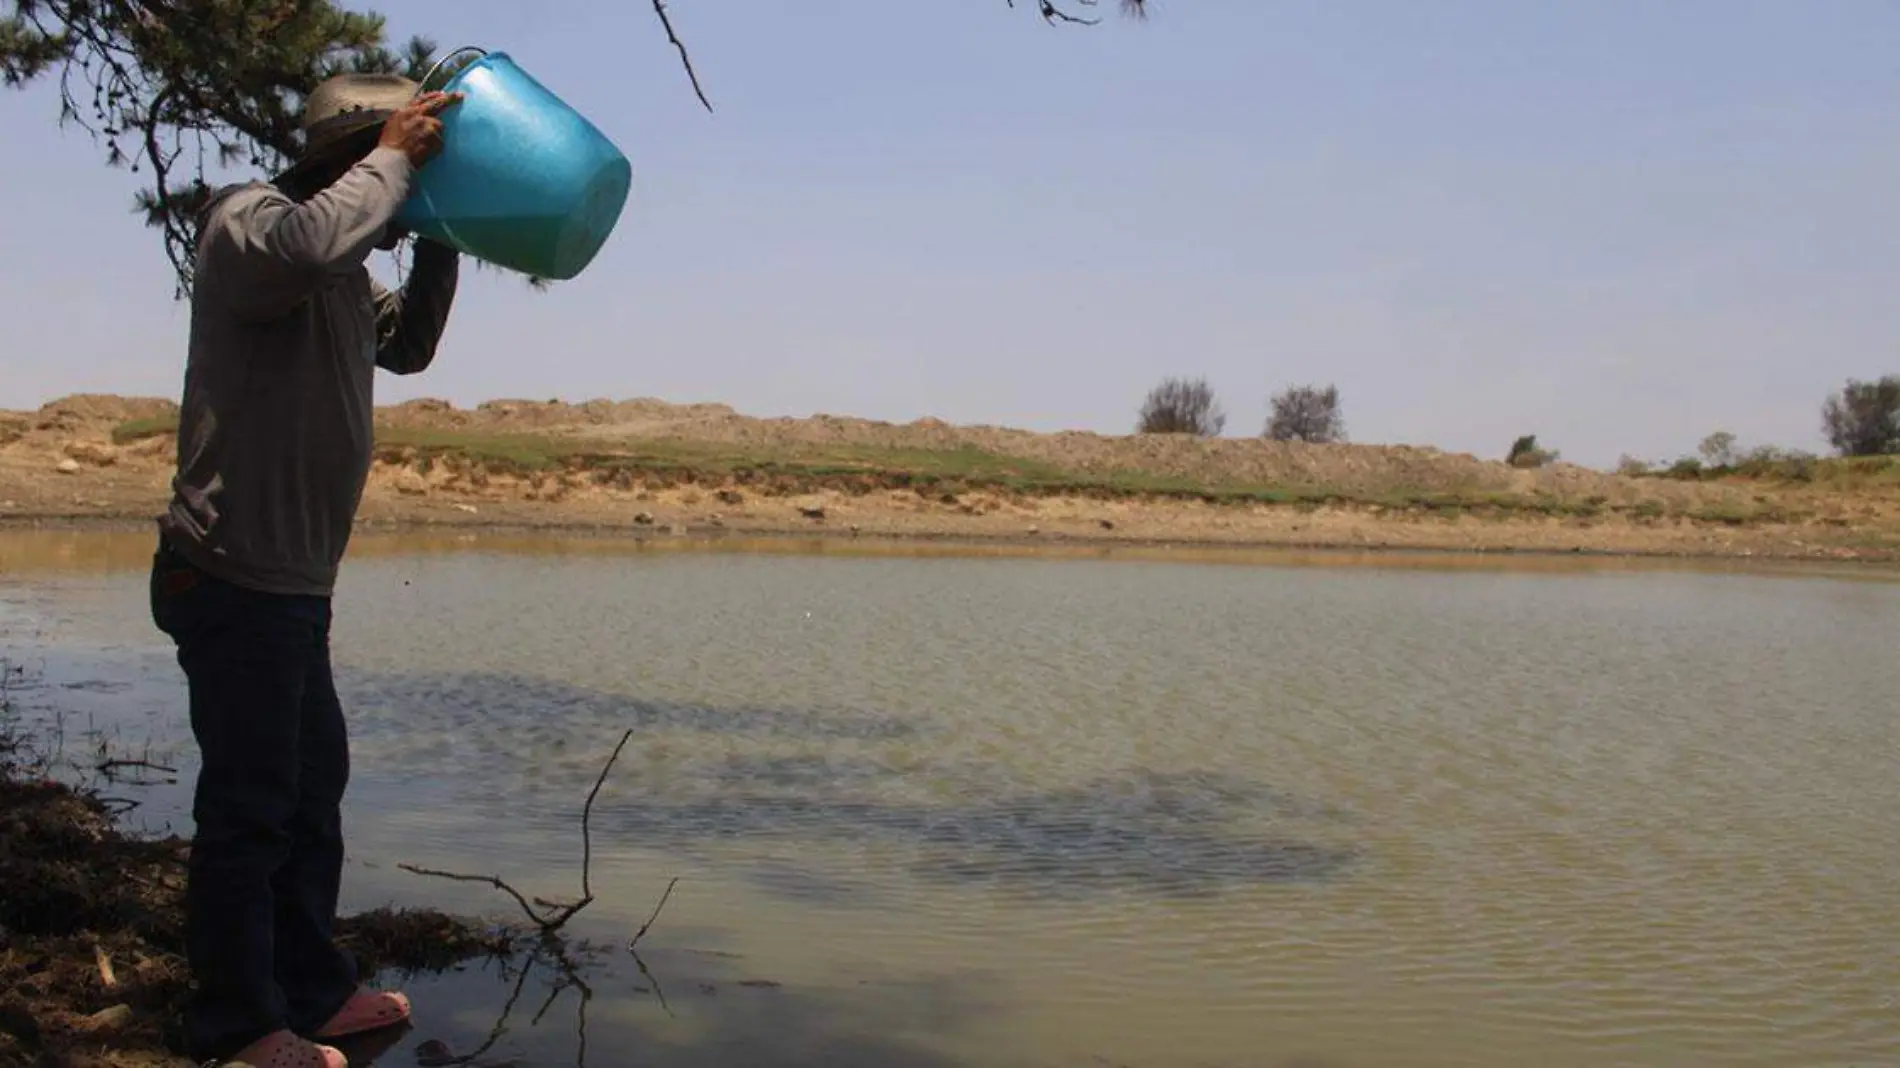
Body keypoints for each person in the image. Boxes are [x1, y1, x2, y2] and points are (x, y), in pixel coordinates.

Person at [148, 72, 464, 1068]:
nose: (404, 185)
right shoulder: (252, 221)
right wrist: (393, 164)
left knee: (310, 784)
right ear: (353, 150)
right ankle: (237, 1026)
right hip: (230, 570)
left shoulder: (342, 271)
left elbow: (406, 346)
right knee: (249, 804)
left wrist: (446, 237)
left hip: (291, 584)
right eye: (396, 155)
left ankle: (309, 993)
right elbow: (300, 245)